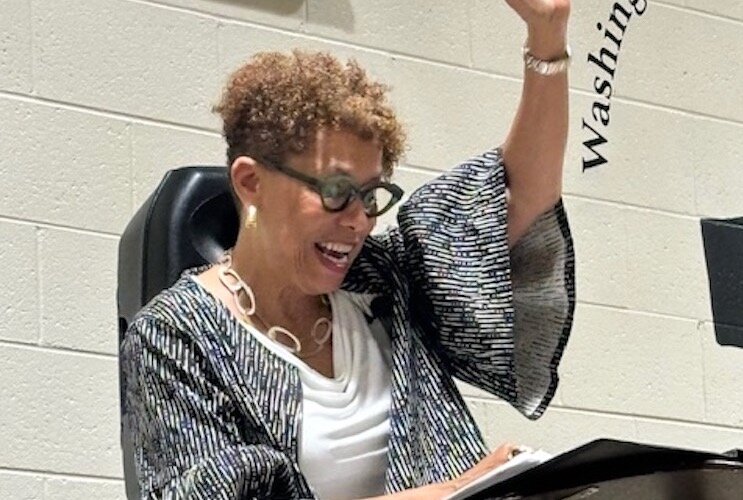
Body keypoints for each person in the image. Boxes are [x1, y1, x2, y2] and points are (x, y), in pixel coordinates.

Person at [120, 0, 575, 498]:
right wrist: (455, 491)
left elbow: (517, 195)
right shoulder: (176, 338)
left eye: (371, 194)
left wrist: (547, 35)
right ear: (251, 183)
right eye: (336, 192)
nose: (359, 220)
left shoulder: (387, 282)